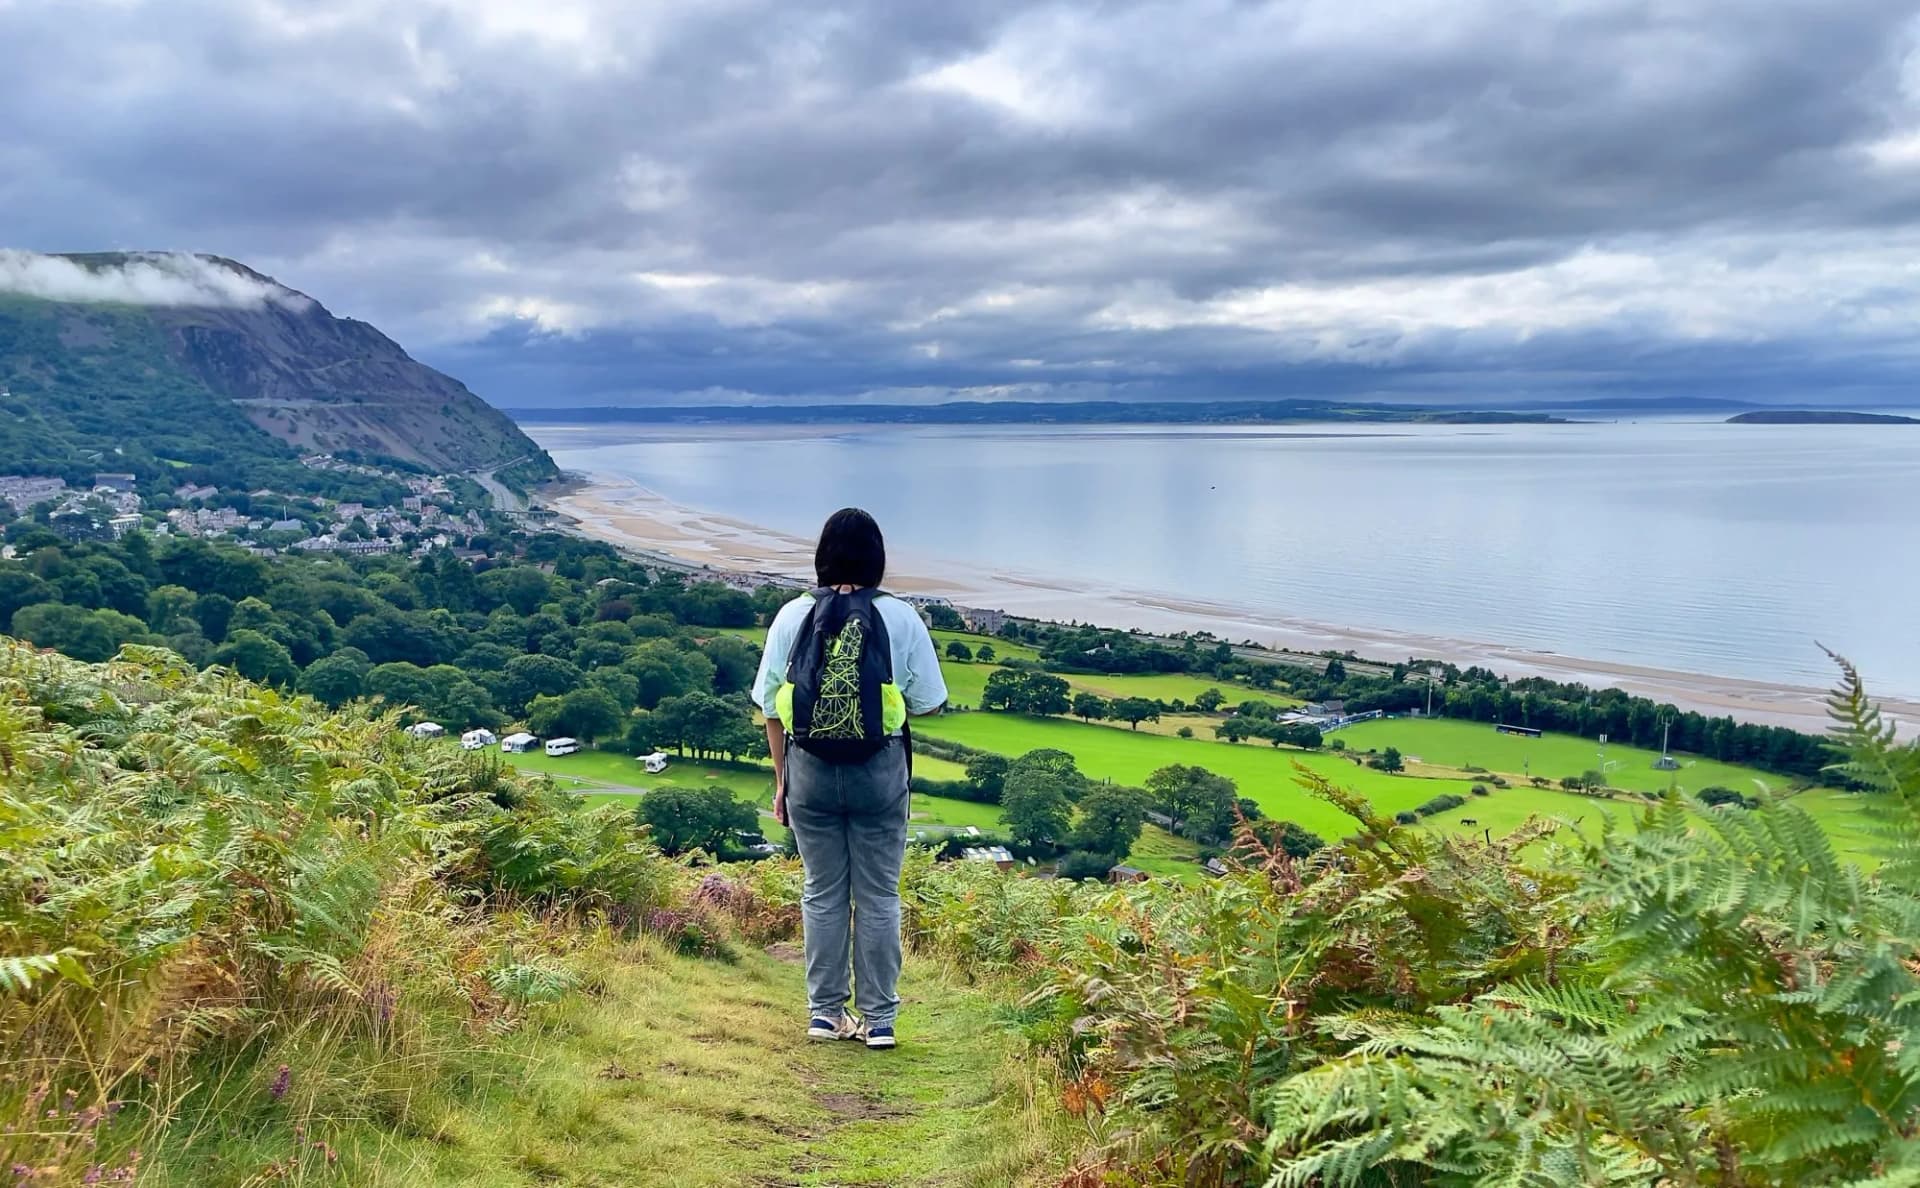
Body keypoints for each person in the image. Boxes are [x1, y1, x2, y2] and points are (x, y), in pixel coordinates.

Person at [752, 508, 947, 1050]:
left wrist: (782, 781)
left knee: (822, 891)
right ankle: (880, 1021)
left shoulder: (792, 614)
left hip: (807, 767)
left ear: (821, 556)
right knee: (879, 894)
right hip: (879, 770)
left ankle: (825, 1013)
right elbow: (929, 703)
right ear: (878, 558)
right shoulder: (902, 617)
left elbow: (770, 706)